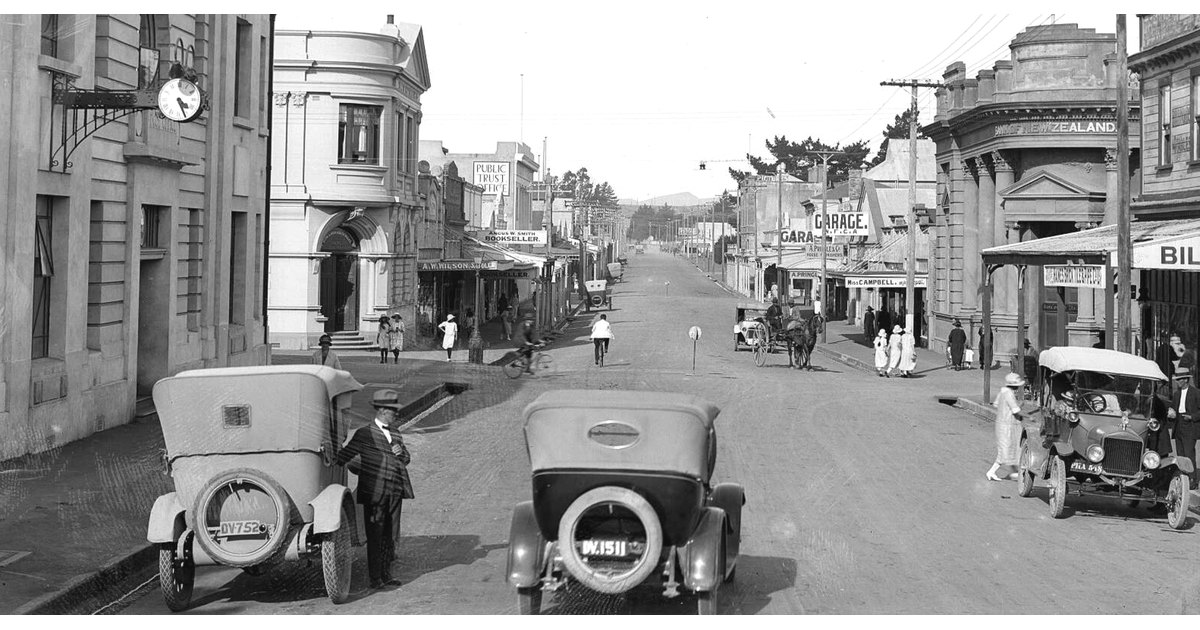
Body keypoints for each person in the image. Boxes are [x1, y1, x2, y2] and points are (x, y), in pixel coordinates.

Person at [335, 389, 414, 590]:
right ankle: (375, 578)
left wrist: (401, 452)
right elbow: (344, 456)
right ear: (381, 410)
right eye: (392, 410)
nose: (396, 414)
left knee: (391, 533)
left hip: (395, 491)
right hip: (375, 492)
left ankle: (387, 575)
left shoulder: (395, 431)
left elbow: (406, 459)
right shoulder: (364, 433)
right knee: (376, 535)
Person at [988, 373, 1027, 481]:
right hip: (1007, 425)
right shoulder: (1009, 394)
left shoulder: (1002, 391)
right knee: (1005, 450)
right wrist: (1028, 416)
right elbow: (1016, 410)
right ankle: (992, 471)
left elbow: (996, 404)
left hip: (1002, 423)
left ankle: (1014, 471)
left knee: (1010, 448)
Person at [1168, 367, 1199, 489]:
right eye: (1176, 380)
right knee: (1180, 454)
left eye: (1179, 380)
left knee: (1189, 453)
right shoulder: (1176, 394)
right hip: (1179, 424)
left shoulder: (1195, 393)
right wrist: (1171, 414)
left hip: (1190, 426)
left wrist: (1192, 417)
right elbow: (1173, 409)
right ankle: (1183, 478)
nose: (1177, 382)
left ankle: (1193, 480)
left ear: (1186, 380)